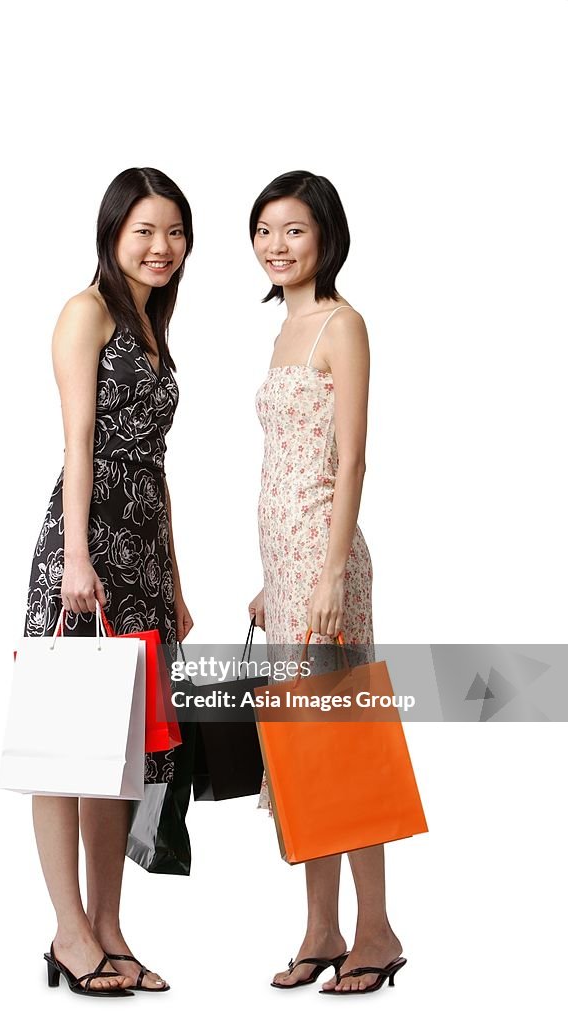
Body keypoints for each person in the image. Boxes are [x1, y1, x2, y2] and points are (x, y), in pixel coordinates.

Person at [23, 167, 194, 996]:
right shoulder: (86, 310)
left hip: (142, 553)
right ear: (112, 235)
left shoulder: (153, 326)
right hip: (85, 548)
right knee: (65, 737)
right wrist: (81, 558)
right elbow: (79, 440)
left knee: (121, 752)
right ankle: (68, 932)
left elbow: (156, 470)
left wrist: (176, 580)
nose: (161, 247)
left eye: (174, 232)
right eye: (144, 232)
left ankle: (110, 930)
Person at [248, 170, 404, 995]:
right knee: (305, 753)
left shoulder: (341, 325)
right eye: (265, 230)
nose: (277, 246)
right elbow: (282, 467)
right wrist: (270, 582)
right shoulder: (282, 332)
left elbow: (349, 460)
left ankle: (374, 931)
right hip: (287, 568)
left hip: (327, 566)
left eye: (294, 231)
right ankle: (320, 929)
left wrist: (330, 572)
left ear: (326, 238)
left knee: (345, 745)